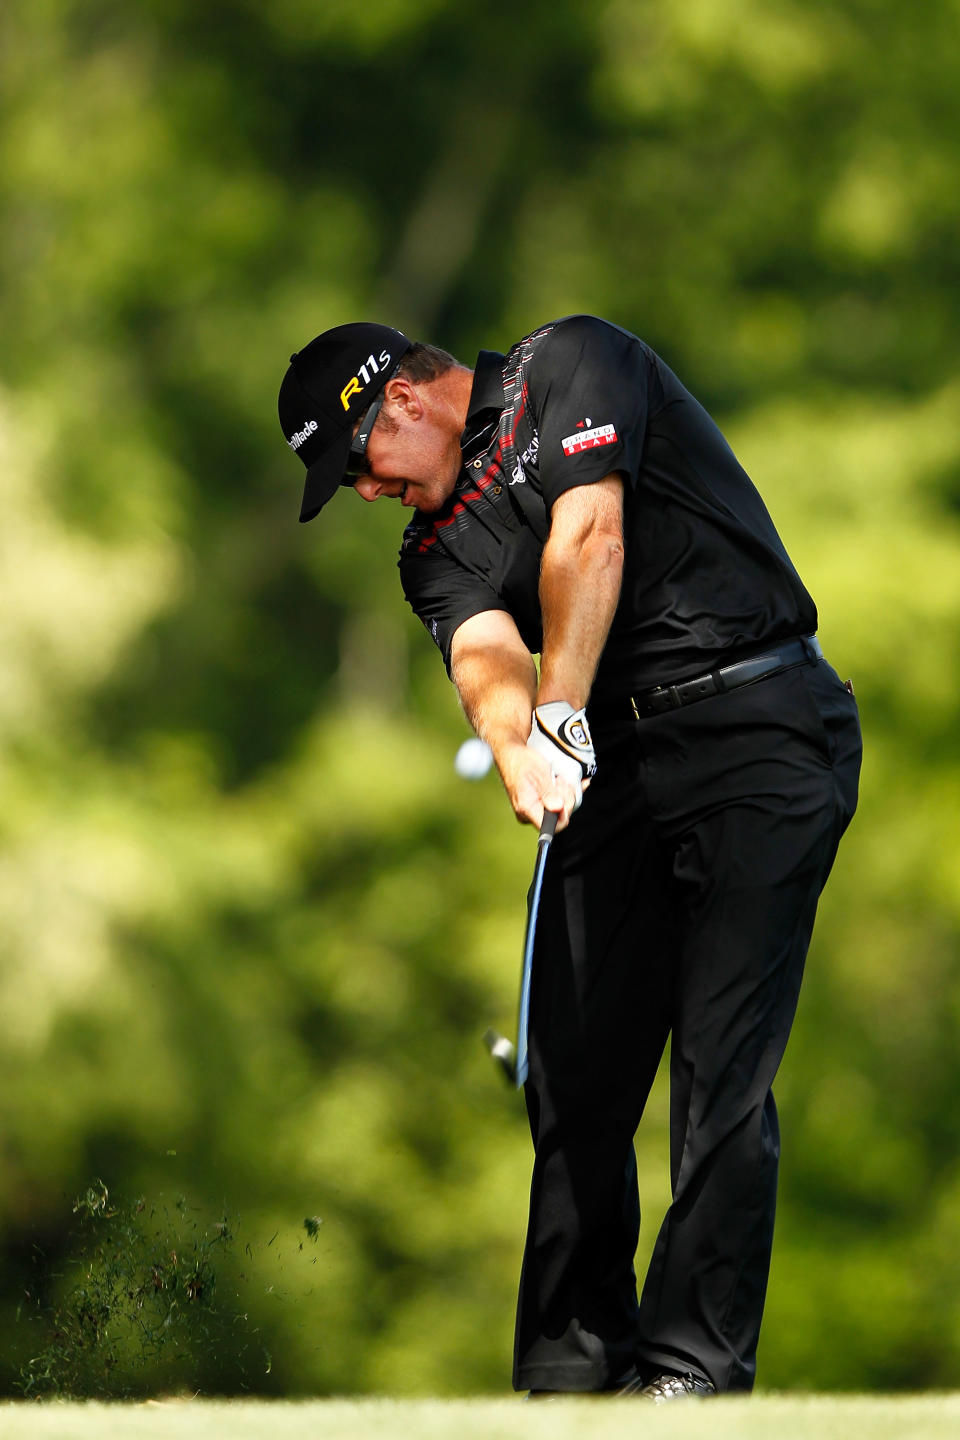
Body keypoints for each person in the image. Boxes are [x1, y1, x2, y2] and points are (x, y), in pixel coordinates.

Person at [277, 316, 862, 1401]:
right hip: (611, 762)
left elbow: (589, 540)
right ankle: (571, 1378)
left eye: (354, 465)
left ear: (400, 402)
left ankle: (689, 1374)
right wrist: (524, 754)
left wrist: (559, 714)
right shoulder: (431, 548)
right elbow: (484, 653)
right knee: (574, 1076)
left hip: (759, 725)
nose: (362, 492)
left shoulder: (575, 365)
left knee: (721, 1075)